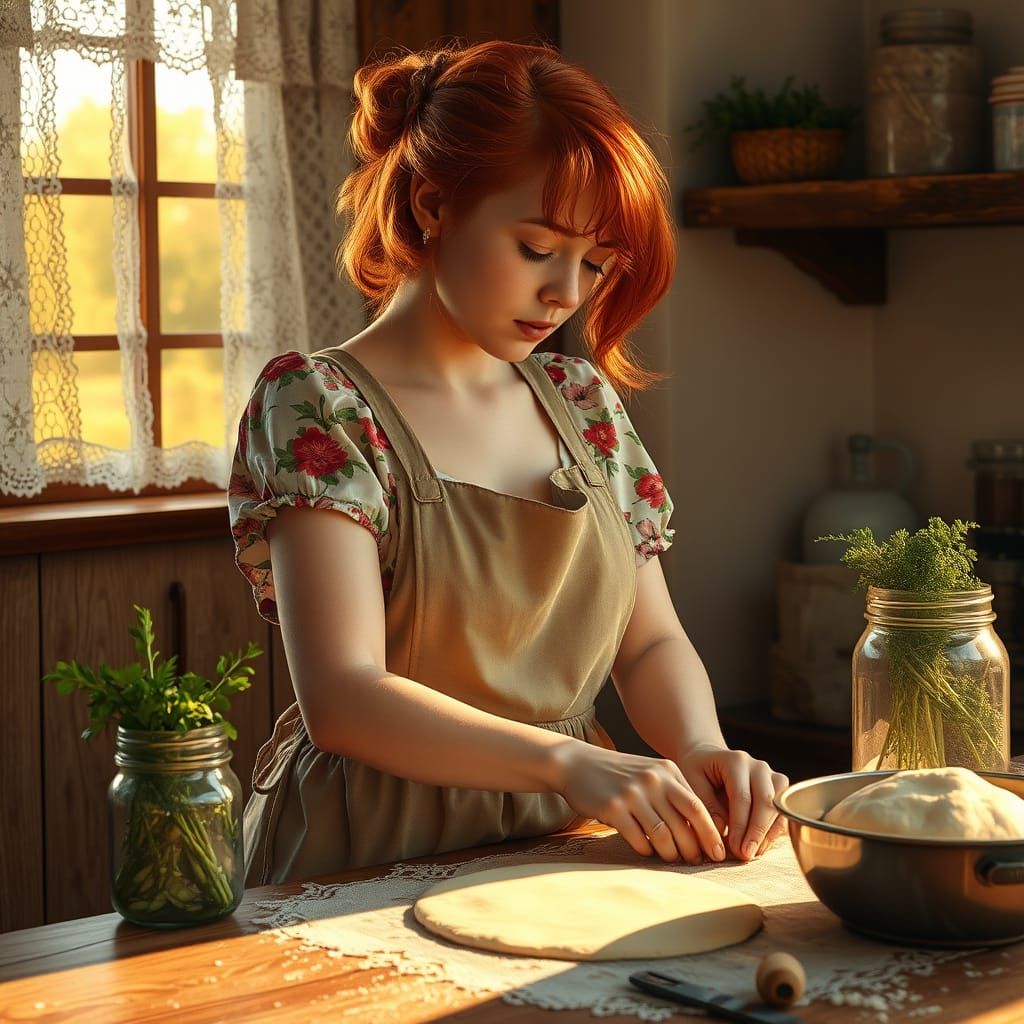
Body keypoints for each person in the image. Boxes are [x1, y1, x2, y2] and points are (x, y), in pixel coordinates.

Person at [228, 38, 789, 888]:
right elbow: (343, 697)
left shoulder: (584, 404)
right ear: (429, 205)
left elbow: (648, 645)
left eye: (596, 263)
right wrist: (567, 764)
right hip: (370, 843)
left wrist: (703, 746)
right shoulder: (318, 405)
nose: (567, 292)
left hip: (559, 842)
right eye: (537, 248)